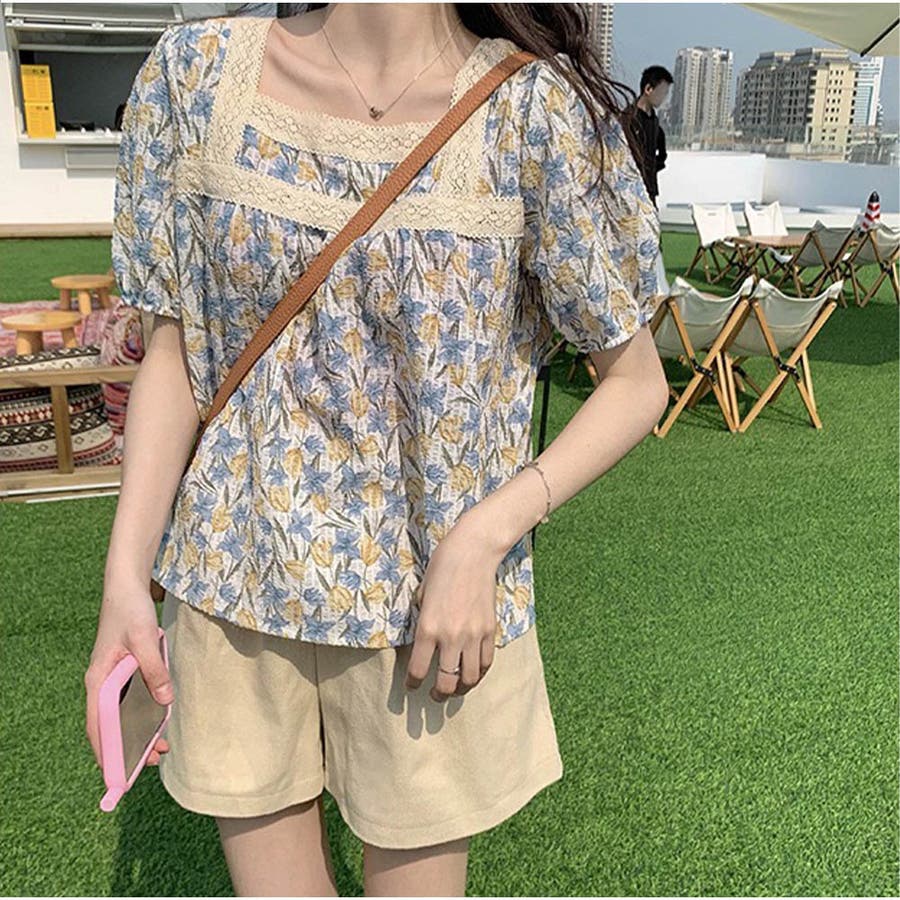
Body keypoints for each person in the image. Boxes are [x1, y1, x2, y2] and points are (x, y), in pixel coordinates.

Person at [85, 3, 667, 896]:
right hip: (232, 582)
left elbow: (635, 381)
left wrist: (485, 536)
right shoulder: (195, 73)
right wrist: (125, 575)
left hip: (429, 607)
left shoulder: (533, 110)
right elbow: (177, 347)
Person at [628, 65, 673, 209]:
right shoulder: (628, 118)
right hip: (629, 190)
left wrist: (651, 169)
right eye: (662, 93)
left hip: (649, 190)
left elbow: (662, 154)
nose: (664, 98)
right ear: (648, 89)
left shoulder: (655, 122)